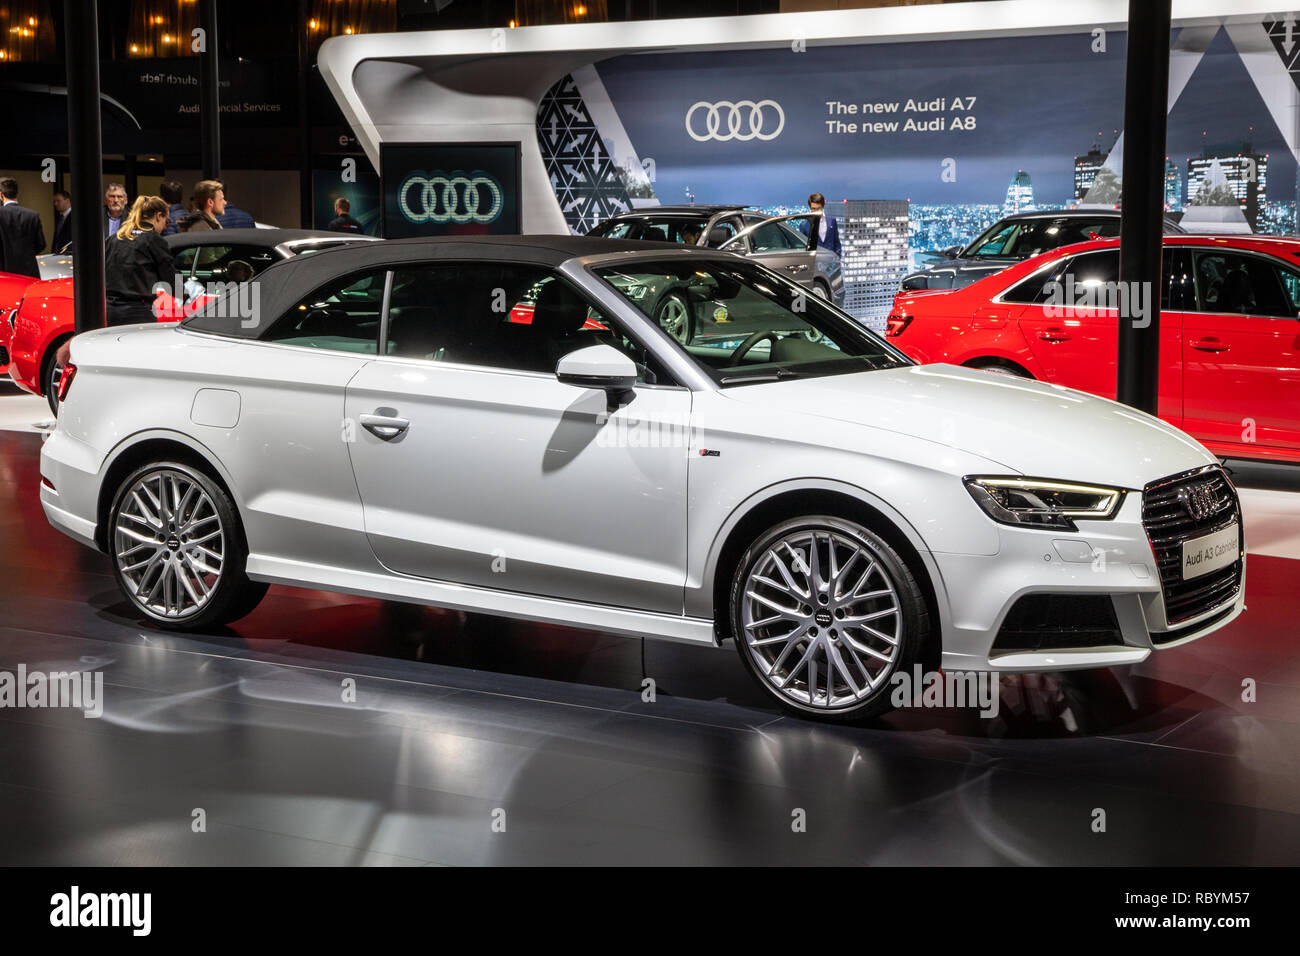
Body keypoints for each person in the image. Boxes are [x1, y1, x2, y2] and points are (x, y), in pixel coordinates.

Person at [104, 195, 176, 327]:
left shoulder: (113, 239)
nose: (165, 227)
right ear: (159, 216)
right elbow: (171, 281)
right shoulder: (154, 241)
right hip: (138, 312)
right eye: (167, 221)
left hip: (110, 311)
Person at [0, 177, 47, 277]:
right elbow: (41, 244)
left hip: (5, 272)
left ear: (1, 195)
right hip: (29, 271)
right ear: (17, 193)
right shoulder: (32, 215)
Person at [798, 192, 842, 257]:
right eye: (813, 209)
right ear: (810, 208)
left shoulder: (832, 221)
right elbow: (803, 248)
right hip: (814, 262)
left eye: (818, 208)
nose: (816, 211)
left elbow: (837, 243)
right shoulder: (804, 225)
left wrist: (838, 257)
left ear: (822, 207)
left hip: (831, 262)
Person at [51, 189, 73, 253]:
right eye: (54, 201)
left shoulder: (75, 217)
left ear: (68, 201)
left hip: (69, 255)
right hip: (58, 255)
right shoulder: (60, 218)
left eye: (58, 201)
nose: (55, 204)